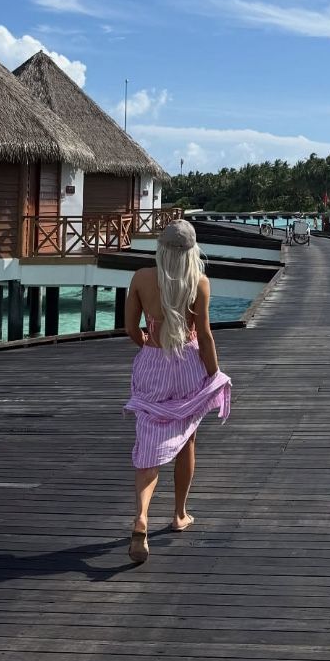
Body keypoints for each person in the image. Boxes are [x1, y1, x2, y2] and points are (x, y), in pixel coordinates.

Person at [123, 220, 231, 563]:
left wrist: (147, 343)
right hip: (187, 365)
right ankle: (179, 514)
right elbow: (205, 336)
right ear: (192, 251)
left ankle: (141, 516)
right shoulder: (199, 282)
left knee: (148, 446)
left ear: (161, 248)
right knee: (187, 440)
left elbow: (130, 328)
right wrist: (215, 375)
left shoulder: (141, 278)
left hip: (153, 363)